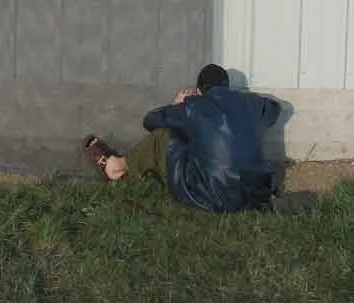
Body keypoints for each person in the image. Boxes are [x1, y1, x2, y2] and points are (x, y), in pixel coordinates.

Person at [83, 64, 281, 213]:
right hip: (254, 196)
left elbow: (151, 121)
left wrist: (177, 105)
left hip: (210, 197)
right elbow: (275, 109)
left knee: (164, 136)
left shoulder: (194, 106)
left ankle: (117, 167)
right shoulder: (252, 104)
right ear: (227, 86)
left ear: (200, 91)